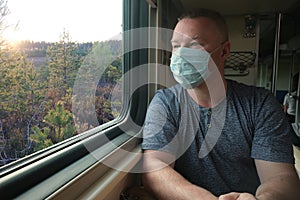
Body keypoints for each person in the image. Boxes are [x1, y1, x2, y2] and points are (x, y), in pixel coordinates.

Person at [141, 9, 300, 200]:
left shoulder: (260, 104)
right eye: (176, 46)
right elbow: (154, 170)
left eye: (195, 45)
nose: (182, 55)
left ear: (224, 51)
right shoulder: (165, 103)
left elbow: (282, 178)